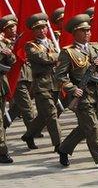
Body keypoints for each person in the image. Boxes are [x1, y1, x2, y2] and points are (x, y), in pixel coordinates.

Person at [55, 14, 98, 168]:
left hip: (97, 93)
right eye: (83, 31)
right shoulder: (68, 52)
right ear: (75, 33)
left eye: (88, 30)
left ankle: (64, 148)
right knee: (93, 127)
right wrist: (72, 89)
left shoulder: (96, 47)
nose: (88, 33)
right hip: (82, 96)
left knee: (85, 127)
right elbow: (60, 76)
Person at [21, 13, 61, 151]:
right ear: (33, 30)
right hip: (41, 84)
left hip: (55, 82)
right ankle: (58, 145)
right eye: (38, 28)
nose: (41, 30)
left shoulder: (52, 42)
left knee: (45, 114)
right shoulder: (30, 46)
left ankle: (29, 134)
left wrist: (56, 55)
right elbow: (44, 59)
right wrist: (58, 55)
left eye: (43, 27)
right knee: (51, 114)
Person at [0, 14, 16, 164]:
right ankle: (2, 152)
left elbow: (12, 61)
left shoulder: (4, 42)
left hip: (1, 85)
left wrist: (9, 54)